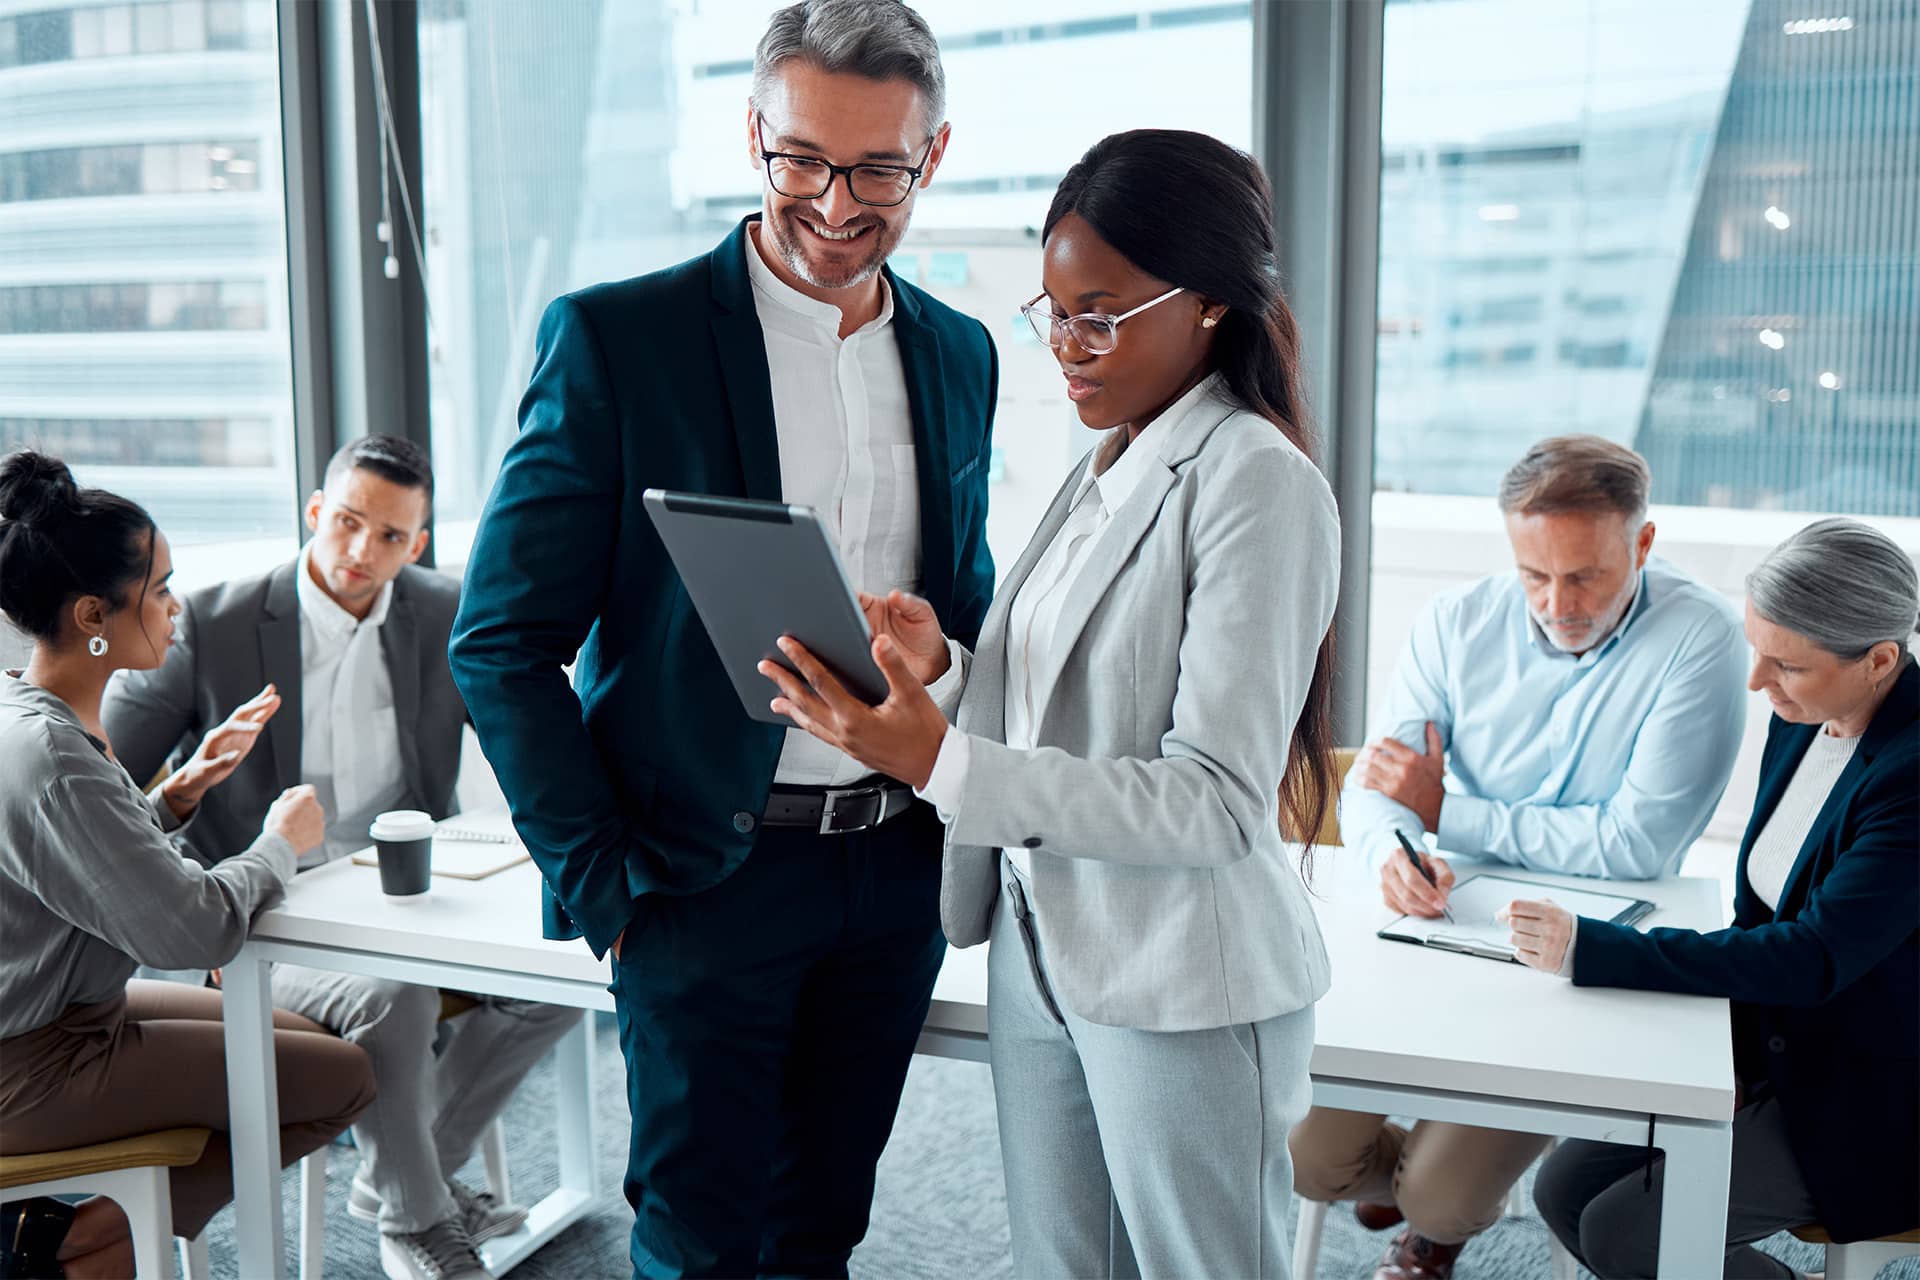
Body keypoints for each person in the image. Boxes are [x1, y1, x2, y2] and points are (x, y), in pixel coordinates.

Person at [446, 3, 996, 1274]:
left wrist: (943, 663)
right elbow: (500, 638)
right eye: (802, 157)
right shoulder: (618, 341)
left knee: (821, 1231)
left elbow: (962, 607)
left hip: (891, 872)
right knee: (702, 1241)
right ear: (755, 136)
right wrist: (611, 890)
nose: (837, 201)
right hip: (700, 882)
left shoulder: (960, 355)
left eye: (879, 168)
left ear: (936, 154)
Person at [761, 128, 1340, 1278]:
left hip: (1181, 966)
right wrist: (952, 676)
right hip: (1041, 937)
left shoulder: (1255, 481)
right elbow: (1077, 707)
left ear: (1211, 304)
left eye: (1101, 315)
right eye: (1054, 312)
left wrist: (943, 765)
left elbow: (1215, 802)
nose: (1067, 348)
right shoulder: (1107, 458)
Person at [102, 434, 578, 1280]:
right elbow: (109, 802)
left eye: (390, 536)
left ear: (417, 544)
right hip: (268, 916)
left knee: (564, 969)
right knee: (392, 996)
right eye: (349, 523)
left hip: (409, 891)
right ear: (317, 512)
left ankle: (402, 1177)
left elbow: (529, 743)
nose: (363, 552)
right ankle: (421, 1219)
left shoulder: (446, 611)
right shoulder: (208, 625)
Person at [1289, 434, 1748, 1280]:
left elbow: (1636, 843)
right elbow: (1381, 786)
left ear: (1643, 543)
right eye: (1535, 574)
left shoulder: (1704, 636)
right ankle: (1418, 1162)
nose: (1557, 602)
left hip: (1588, 943)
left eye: (1586, 576)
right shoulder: (1458, 619)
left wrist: (1450, 810)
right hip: (1444, 917)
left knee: (1440, 1199)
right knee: (1305, 1156)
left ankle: (1433, 1216)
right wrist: (1398, 844)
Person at [1506, 518, 1918, 1278]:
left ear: (1880, 660)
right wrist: (1718, 1058)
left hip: (1871, 1087)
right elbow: (1762, 913)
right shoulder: (1805, 717)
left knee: (1632, 1232)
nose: (1757, 681)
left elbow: (1812, 956)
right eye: (1757, 649)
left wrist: (1595, 947)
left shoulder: (1911, 774)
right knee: (1564, 1192)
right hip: (1776, 1043)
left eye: (1785, 664)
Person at [0, 450, 375, 1280]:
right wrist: (282, 842)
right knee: (343, 1078)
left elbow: (77, 863)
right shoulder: (57, 754)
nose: (176, 607)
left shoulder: (24, 712)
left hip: (65, 1018)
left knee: (308, 1044)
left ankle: (89, 1228)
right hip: (36, 1063)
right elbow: (188, 928)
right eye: (160, 589)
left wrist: (177, 791)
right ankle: (80, 1240)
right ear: (95, 612)